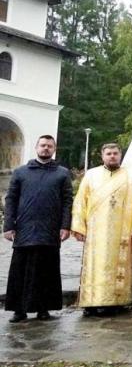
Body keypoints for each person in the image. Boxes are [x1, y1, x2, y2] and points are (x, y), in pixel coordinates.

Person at [3, 135, 72, 322]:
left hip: (50, 229)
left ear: (54, 149)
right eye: (43, 145)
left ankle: (43, 308)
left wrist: (65, 225)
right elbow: (11, 199)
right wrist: (8, 225)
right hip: (24, 228)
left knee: (46, 270)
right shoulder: (21, 172)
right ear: (36, 147)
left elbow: (67, 201)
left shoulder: (62, 173)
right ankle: (19, 310)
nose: (46, 148)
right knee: (20, 270)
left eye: (50, 146)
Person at [71, 143, 132, 315]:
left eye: (115, 153)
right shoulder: (91, 174)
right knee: (94, 266)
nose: (112, 156)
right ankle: (91, 302)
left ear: (120, 155)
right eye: (108, 153)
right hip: (95, 230)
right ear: (102, 156)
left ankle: (117, 302)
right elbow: (80, 201)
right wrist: (78, 226)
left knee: (118, 266)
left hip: (121, 230)